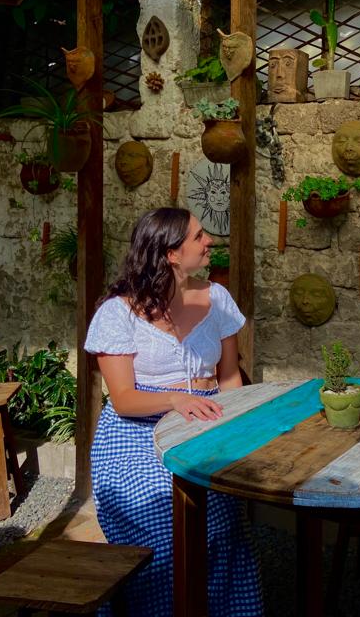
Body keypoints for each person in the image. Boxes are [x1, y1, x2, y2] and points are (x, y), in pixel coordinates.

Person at [84, 208, 263, 617]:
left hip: (205, 423)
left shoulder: (217, 299)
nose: (209, 241)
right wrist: (175, 400)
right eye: (199, 237)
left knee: (221, 522)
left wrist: (234, 430)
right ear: (170, 254)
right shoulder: (117, 313)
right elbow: (124, 398)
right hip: (135, 437)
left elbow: (231, 377)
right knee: (166, 532)